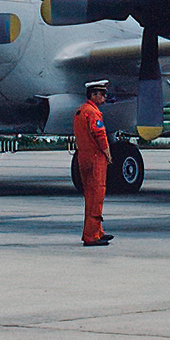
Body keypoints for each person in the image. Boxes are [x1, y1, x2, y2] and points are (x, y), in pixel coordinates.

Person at [74, 80, 114, 246]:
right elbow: (100, 135)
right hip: (95, 157)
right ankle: (92, 236)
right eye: (102, 94)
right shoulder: (94, 113)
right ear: (94, 95)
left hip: (83, 156)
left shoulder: (80, 111)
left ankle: (96, 230)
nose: (104, 97)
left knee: (89, 195)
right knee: (96, 195)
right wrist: (107, 153)